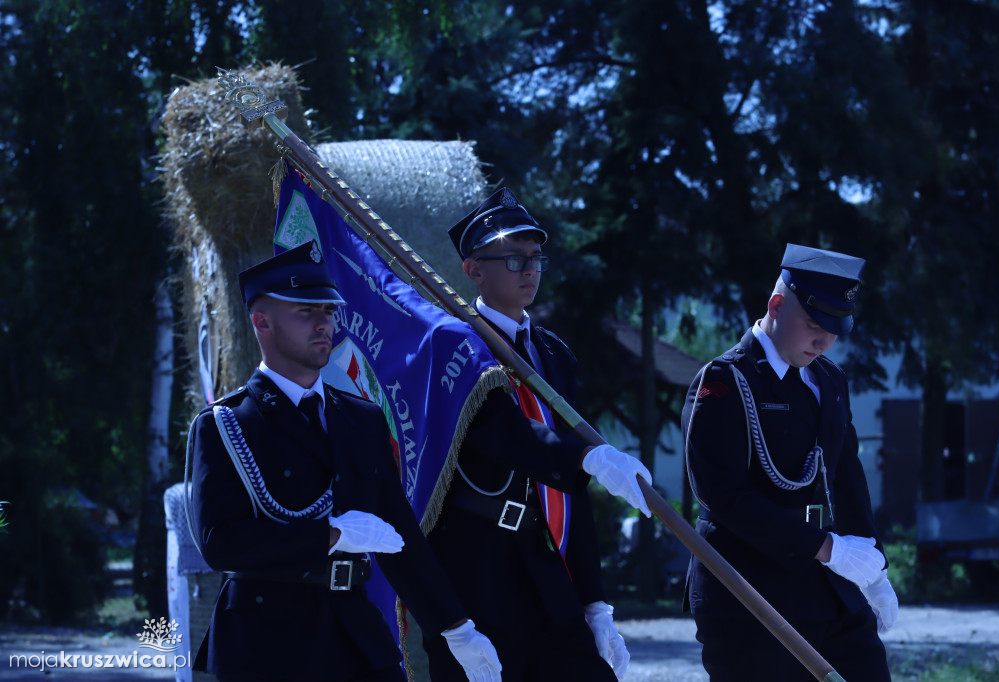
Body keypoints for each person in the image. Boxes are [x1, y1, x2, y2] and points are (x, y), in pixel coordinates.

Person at [187, 241, 502, 682]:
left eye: (329, 312)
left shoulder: (361, 419)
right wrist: (329, 535)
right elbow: (221, 542)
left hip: (353, 628)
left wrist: (456, 627)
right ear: (262, 323)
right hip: (265, 640)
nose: (324, 324)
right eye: (305, 312)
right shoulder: (228, 424)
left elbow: (400, 537)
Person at [421, 188, 653, 682]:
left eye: (535, 257)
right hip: (476, 573)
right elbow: (502, 433)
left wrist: (595, 600)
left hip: (548, 569)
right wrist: (587, 460)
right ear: (473, 270)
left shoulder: (553, 352)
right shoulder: (454, 344)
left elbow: (573, 491)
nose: (529, 269)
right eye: (511, 257)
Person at [680, 244, 899, 681]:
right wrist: (826, 548)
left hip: (829, 589)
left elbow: (847, 475)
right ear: (776, 305)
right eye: (815, 325)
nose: (825, 341)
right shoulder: (725, 381)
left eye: (836, 330)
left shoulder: (830, 379)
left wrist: (874, 568)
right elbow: (721, 494)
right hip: (750, 590)